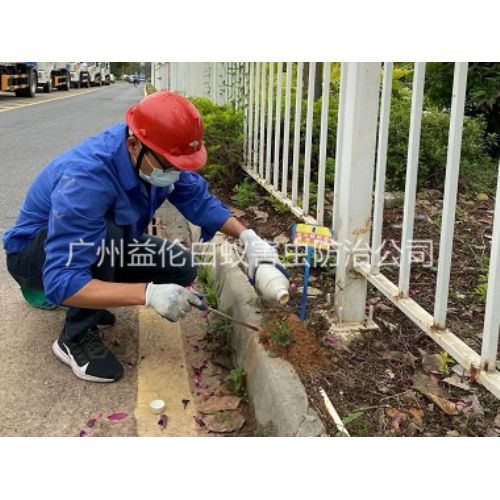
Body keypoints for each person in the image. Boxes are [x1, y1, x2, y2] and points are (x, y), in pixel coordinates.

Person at [3, 91, 285, 383]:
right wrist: (148, 294)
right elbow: (61, 279)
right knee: (108, 235)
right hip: (36, 256)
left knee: (179, 266)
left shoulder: (157, 155)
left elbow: (199, 202)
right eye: (170, 166)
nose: (175, 173)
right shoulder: (87, 179)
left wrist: (248, 237)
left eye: (180, 166)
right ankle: (74, 338)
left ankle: (92, 300)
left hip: (96, 243)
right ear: (133, 145)